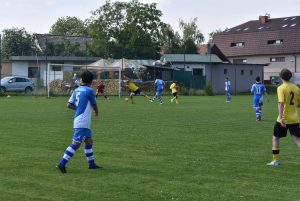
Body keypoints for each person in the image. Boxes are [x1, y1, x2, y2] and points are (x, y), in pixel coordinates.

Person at [57, 70, 101, 173]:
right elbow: (94, 104)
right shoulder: (89, 91)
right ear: (91, 81)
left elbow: (69, 105)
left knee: (89, 141)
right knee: (76, 143)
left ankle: (92, 164)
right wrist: (96, 112)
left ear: (81, 80)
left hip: (79, 119)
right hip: (83, 121)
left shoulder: (76, 90)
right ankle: (62, 163)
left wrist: (79, 108)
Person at [267, 68, 300, 166]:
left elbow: (281, 103)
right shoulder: (297, 88)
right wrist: (293, 108)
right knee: (297, 140)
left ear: (281, 77)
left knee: (275, 138)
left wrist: (281, 118)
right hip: (294, 119)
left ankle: (275, 161)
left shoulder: (281, 88)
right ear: (290, 77)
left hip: (283, 119)